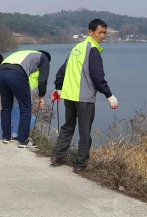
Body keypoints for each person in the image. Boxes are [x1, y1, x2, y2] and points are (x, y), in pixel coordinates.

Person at [50, 19, 118, 173]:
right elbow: (97, 75)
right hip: (84, 97)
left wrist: (58, 87)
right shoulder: (92, 49)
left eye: (105, 33)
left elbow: (62, 70)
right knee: (84, 130)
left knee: (68, 127)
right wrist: (109, 95)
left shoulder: (77, 48)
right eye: (100, 32)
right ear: (90, 32)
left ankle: (57, 156)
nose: (102, 36)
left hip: (69, 96)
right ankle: (80, 164)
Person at [0, 49, 51, 148]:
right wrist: (41, 97)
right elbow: (43, 80)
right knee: (25, 107)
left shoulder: (27, 53)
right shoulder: (44, 58)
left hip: (0, 73)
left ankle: (6, 137)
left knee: (6, 107)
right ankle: (23, 140)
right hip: (16, 74)